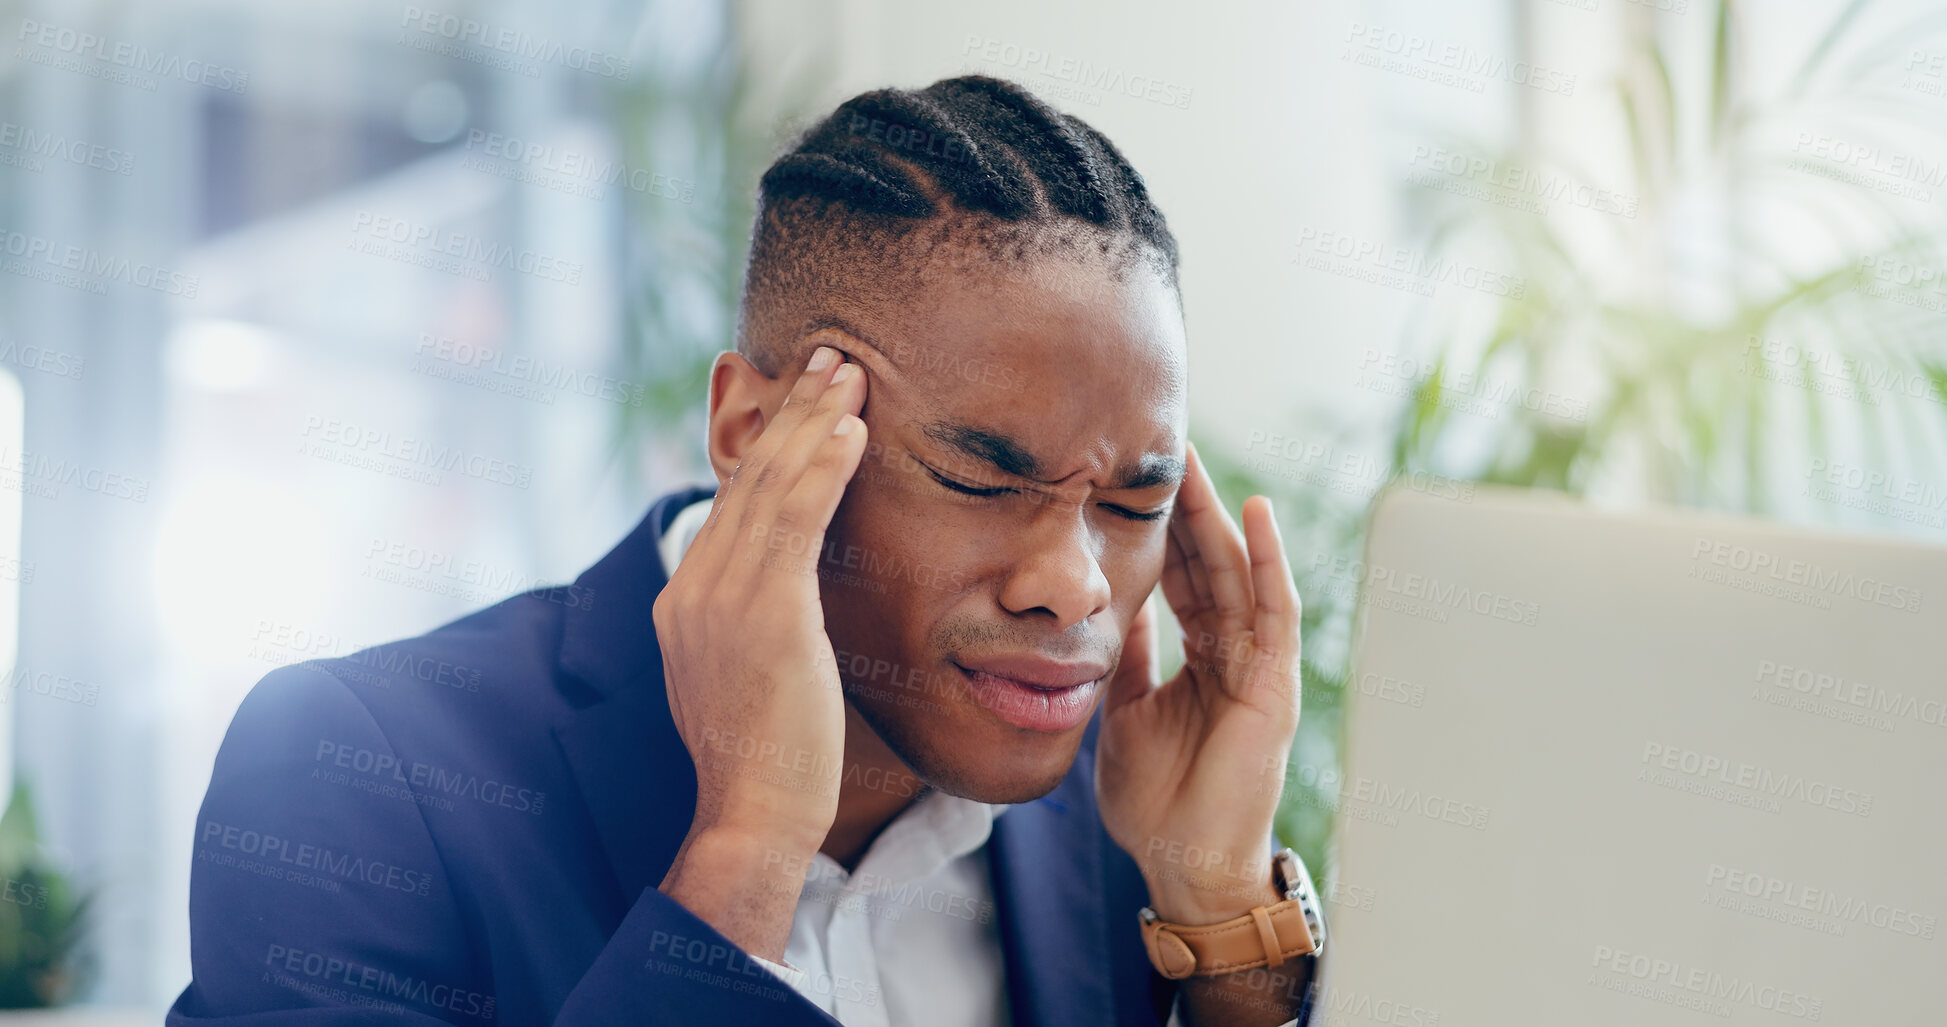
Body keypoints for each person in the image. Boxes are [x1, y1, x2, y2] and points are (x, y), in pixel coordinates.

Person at [169, 74, 1322, 1027]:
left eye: (1133, 501)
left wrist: (1222, 914)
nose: (1074, 585)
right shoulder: (352, 779)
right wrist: (747, 849)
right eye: (980, 476)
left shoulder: (1121, 819)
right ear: (754, 433)